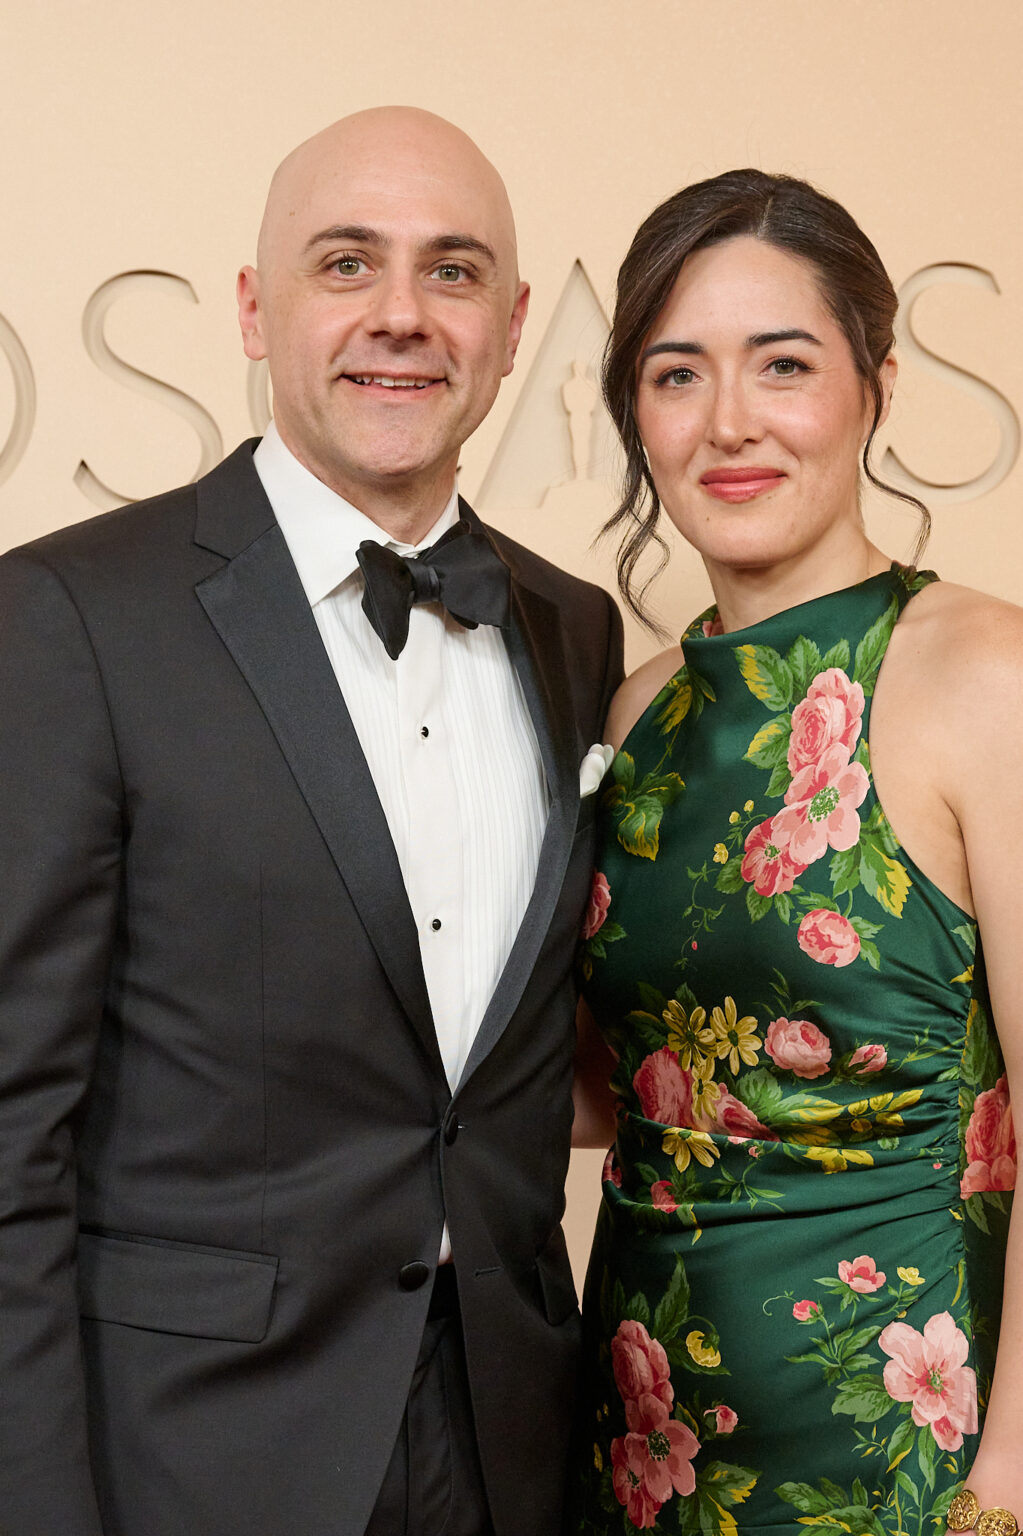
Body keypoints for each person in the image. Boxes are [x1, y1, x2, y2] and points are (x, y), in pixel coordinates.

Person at [0, 107, 623, 1536]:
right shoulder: (74, 617)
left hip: (512, 1446)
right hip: (196, 1460)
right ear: (251, 307)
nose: (401, 316)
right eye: (346, 264)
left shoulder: (572, 629)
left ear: (514, 323)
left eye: (453, 272)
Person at [570, 169, 1020, 1536]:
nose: (728, 424)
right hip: (632, 1448)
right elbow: (592, 1100)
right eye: (675, 373)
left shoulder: (984, 674)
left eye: (783, 364)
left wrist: (1004, 1492)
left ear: (876, 386)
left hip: (908, 1472)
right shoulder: (637, 708)